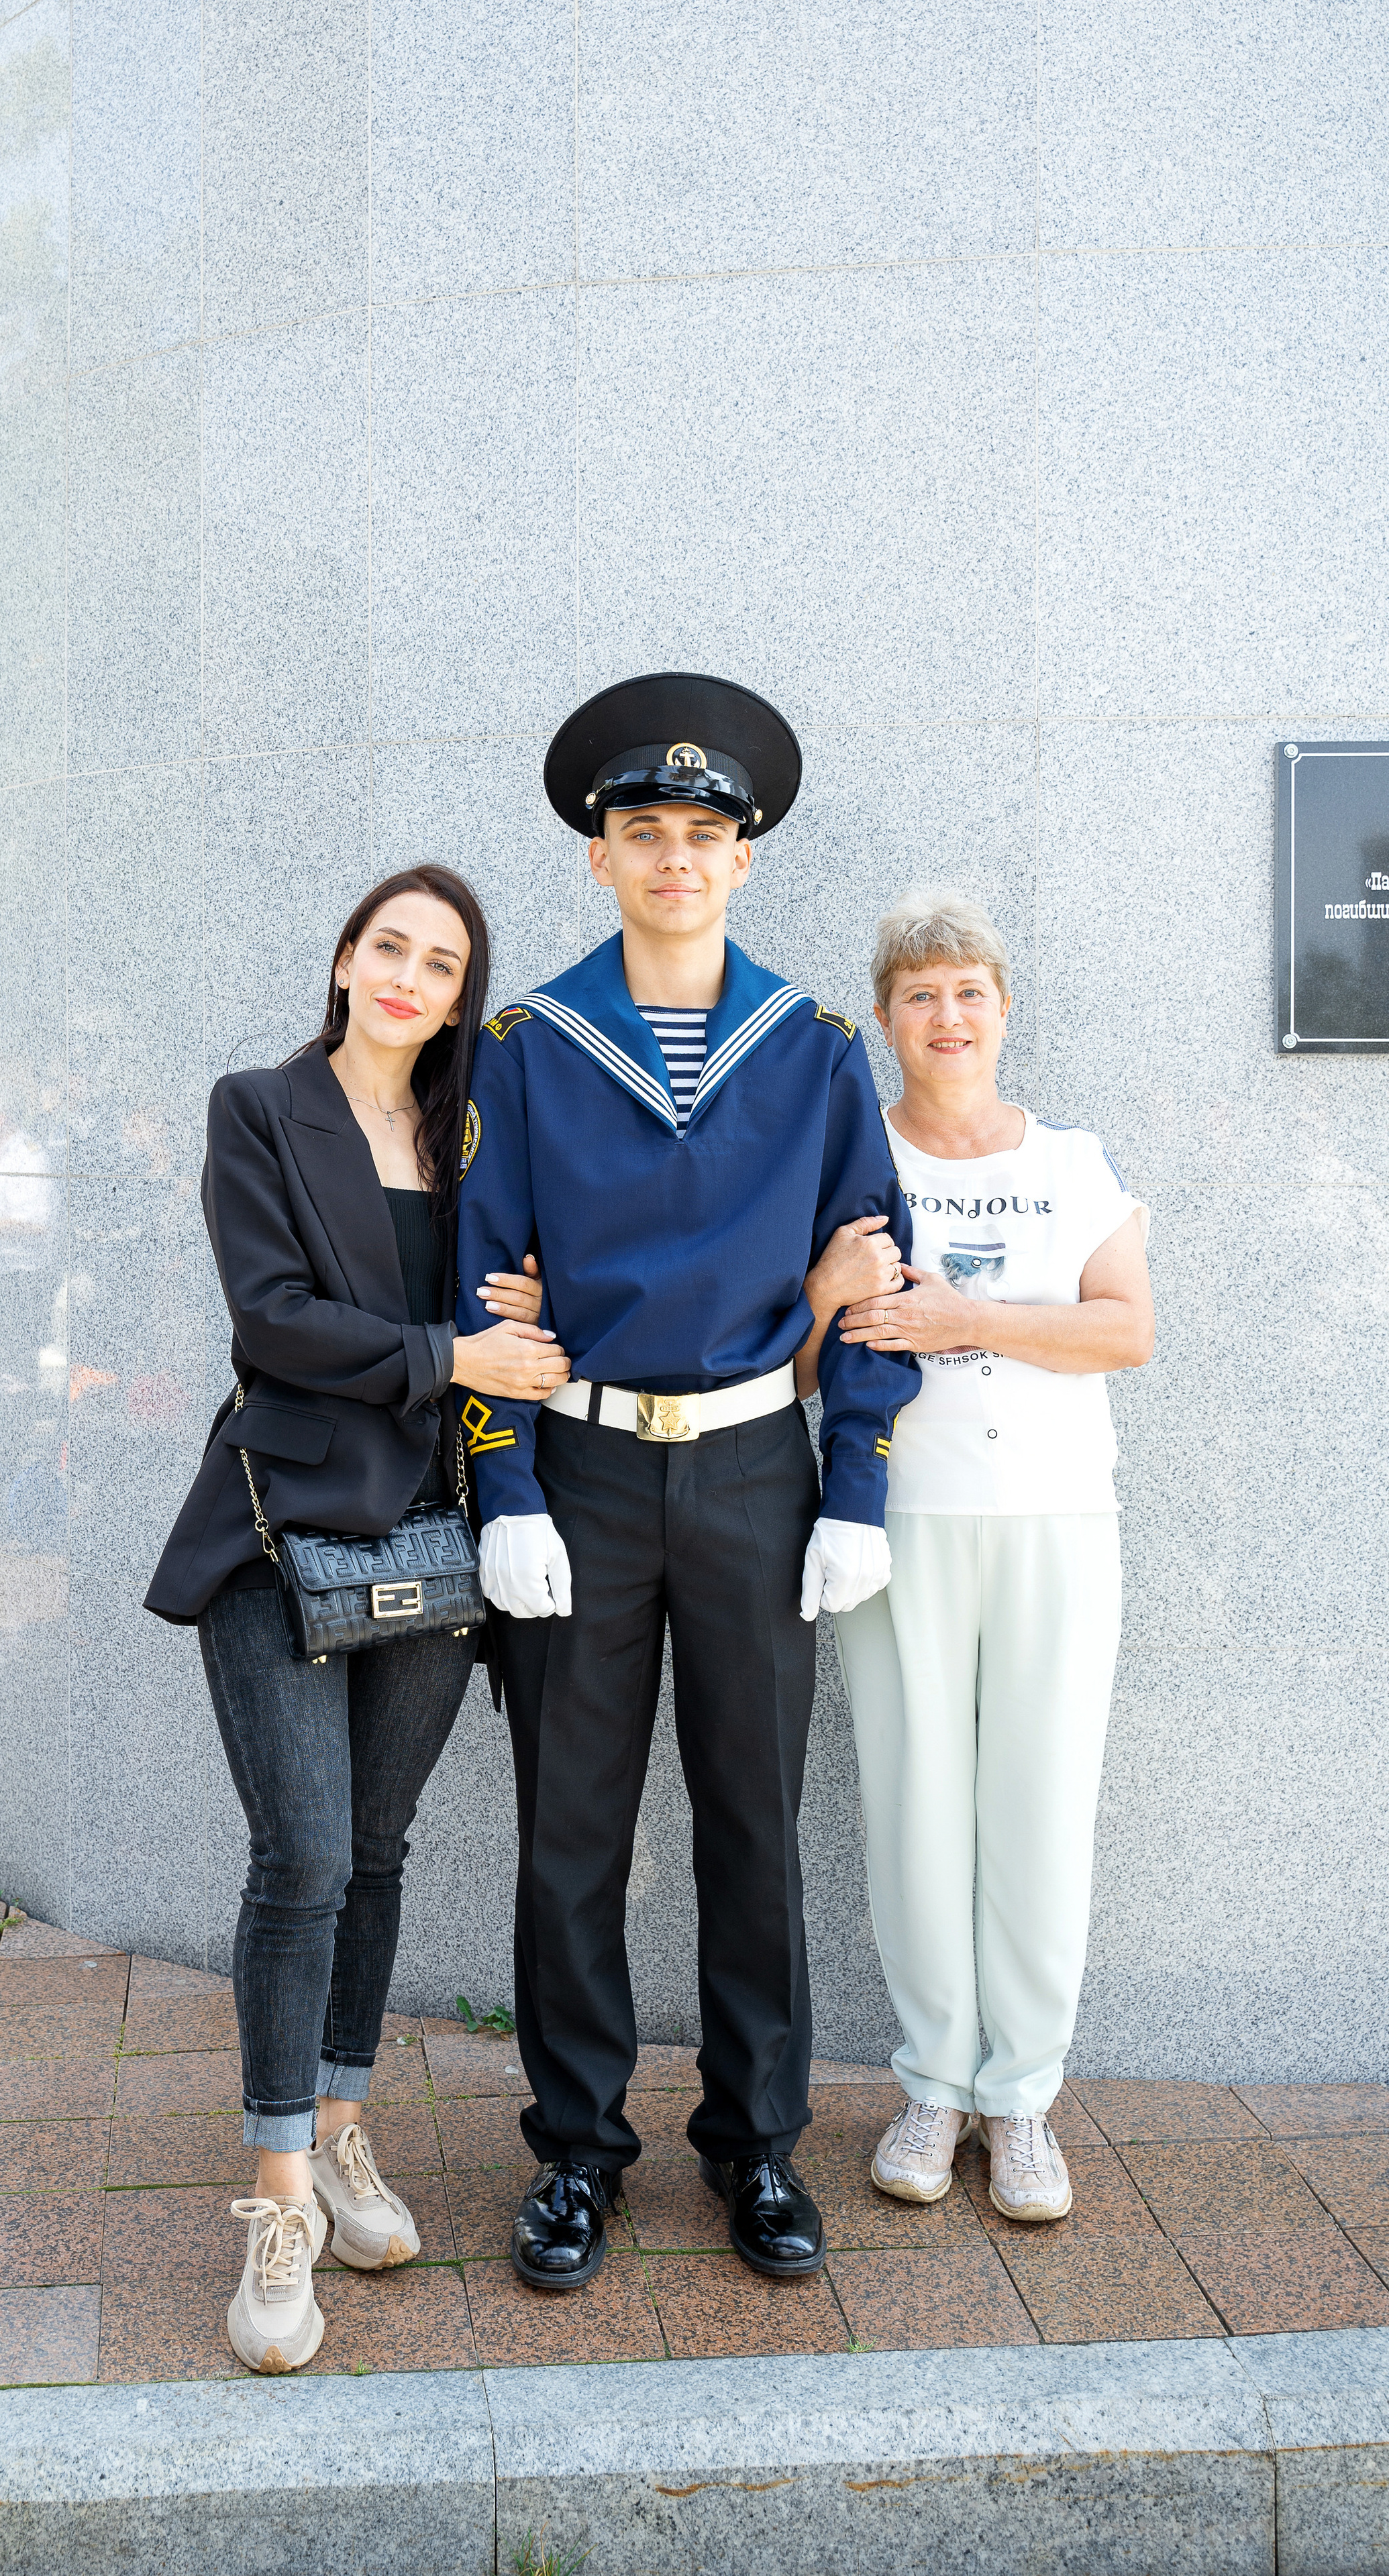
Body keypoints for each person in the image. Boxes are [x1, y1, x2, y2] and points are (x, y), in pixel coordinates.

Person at [454, 674, 919, 2293]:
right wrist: (503, 1490)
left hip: (746, 1471)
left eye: (702, 834)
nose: (673, 858)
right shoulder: (525, 1048)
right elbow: (481, 1273)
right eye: (642, 832)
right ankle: (576, 2150)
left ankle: (755, 2146)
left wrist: (852, 1481)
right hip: (576, 1469)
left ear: (744, 855)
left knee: (752, 1828)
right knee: (564, 1834)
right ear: (596, 859)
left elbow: (868, 1271)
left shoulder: (811, 1051)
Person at [146, 865, 563, 2375]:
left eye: (441, 961)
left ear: (462, 996)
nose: (408, 975)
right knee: (303, 1854)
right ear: (341, 960)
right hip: (281, 1533)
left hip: (435, 1547)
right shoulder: (258, 1109)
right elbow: (273, 1321)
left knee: (375, 1850)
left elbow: (522, 1306)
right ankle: (271, 2205)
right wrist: (458, 1350)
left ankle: (336, 2131)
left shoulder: (469, 1143)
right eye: (388, 945)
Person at [824, 889, 1154, 2223]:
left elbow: (1122, 1329)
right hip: (899, 1525)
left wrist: (968, 1315)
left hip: (1056, 1521)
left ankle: (1019, 2101)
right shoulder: (855, 1169)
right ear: (884, 1021)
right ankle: (930, 2083)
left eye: (966, 991)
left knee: (1035, 1807)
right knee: (913, 1810)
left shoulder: (1070, 1162)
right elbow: (809, 1345)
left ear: (1002, 1010)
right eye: (918, 995)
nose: (944, 1016)